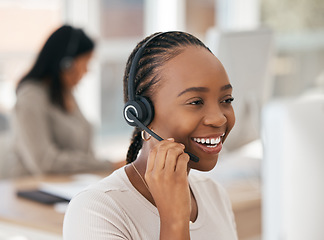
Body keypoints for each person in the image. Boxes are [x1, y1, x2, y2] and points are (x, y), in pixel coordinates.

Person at [63, 31, 238, 239]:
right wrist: (173, 220)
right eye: (195, 102)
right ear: (141, 114)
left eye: (226, 100)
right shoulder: (95, 211)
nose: (219, 119)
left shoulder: (213, 193)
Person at [5, 25, 116, 178]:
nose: (87, 71)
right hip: (32, 189)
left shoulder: (65, 94)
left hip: (69, 185)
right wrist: (107, 165)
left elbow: (85, 150)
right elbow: (43, 162)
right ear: (66, 63)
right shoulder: (30, 98)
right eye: (85, 63)